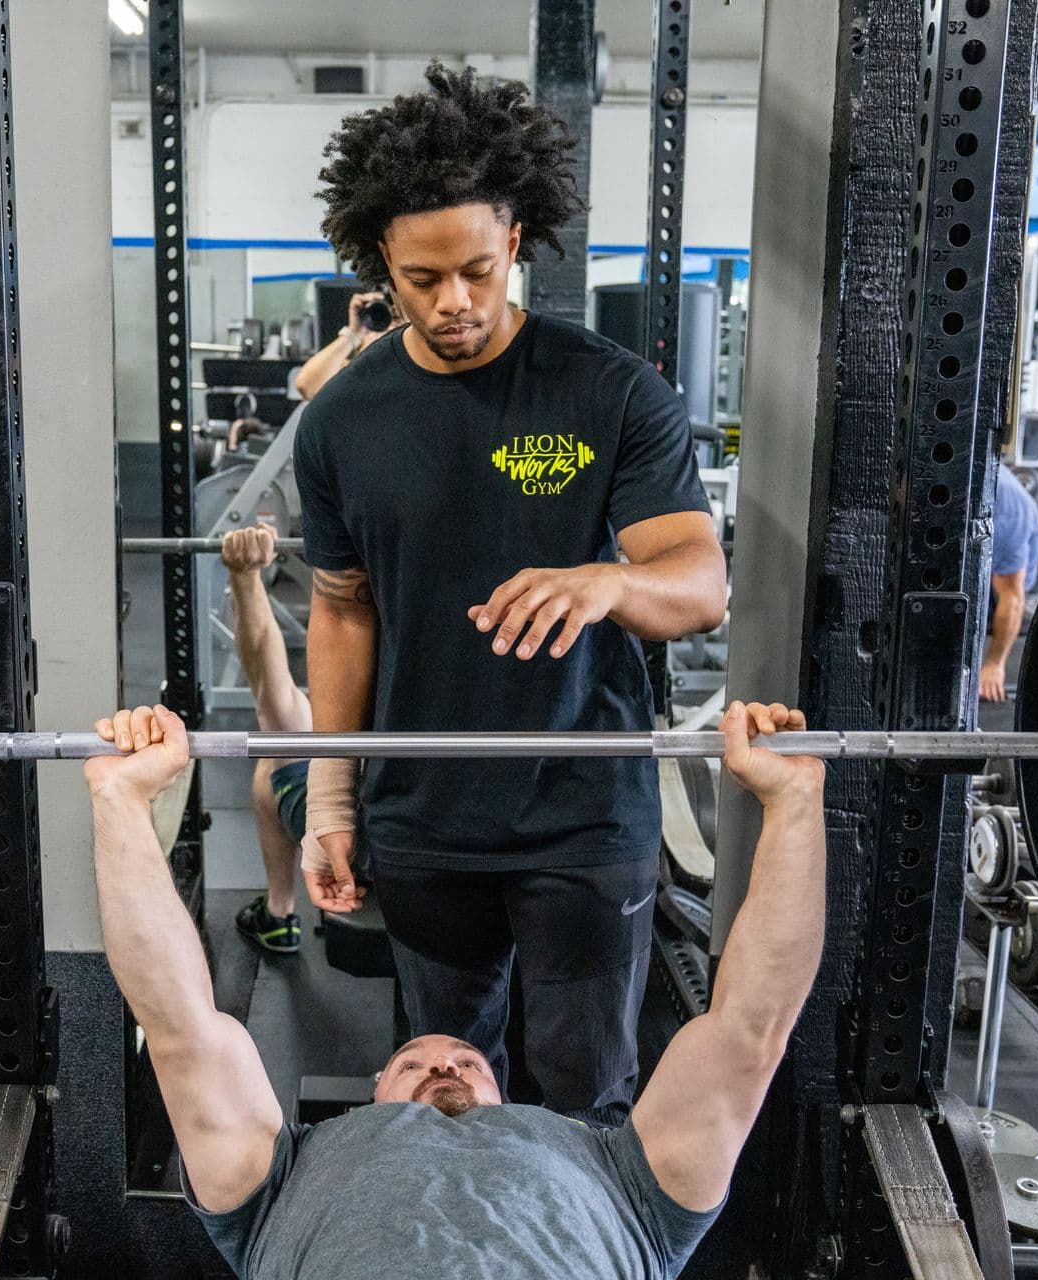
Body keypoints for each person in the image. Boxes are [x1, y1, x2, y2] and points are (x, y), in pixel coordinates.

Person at [292, 61, 728, 1125]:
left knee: (585, 1097)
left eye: (478, 271)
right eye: (421, 277)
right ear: (380, 265)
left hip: (583, 811)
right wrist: (332, 799)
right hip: (425, 811)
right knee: (438, 1091)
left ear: (516, 241)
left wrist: (609, 581)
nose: (454, 302)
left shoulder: (609, 389)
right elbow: (343, 610)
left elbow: (701, 583)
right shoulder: (343, 420)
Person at [86, 700, 826, 1278]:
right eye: (419, 1064)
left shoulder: (621, 1176)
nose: (446, 1062)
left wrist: (794, 802)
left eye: (466, 1061)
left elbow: (749, 1033)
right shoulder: (284, 1181)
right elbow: (181, 1029)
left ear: (516, 1101)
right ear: (369, 1098)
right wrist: (119, 800)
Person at [219, 522, 312, 953]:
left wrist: (246, 575)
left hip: (357, 836)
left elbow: (269, 684)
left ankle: (279, 914)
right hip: (448, 830)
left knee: (274, 758)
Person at [980, 463, 1038, 702]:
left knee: (1007, 601)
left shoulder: (1007, 518)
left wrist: (994, 665)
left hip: (1013, 531)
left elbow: (1013, 599)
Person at [292, 289, 401, 400]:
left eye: (397, 320)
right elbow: (308, 387)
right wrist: (354, 333)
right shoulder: (349, 372)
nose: (387, 332)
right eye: (380, 323)